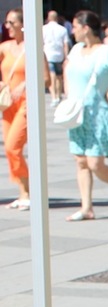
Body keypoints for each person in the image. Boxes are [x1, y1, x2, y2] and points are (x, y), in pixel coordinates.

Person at [63, 11, 108, 222]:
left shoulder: (107, 52)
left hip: (98, 114)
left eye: (76, 26)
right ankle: (86, 207)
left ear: (86, 28)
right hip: (77, 114)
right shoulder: (76, 50)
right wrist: (68, 94)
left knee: (96, 163)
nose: (73, 30)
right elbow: (67, 69)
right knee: (81, 161)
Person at [0, 8, 28, 210]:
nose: (7, 26)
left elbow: (44, 77)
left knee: (12, 146)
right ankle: (23, 192)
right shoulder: (5, 47)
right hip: (8, 104)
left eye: (12, 23)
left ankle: (28, 191)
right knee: (10, 151)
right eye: (6, 23)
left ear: (23, 24)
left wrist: (24, 85)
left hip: (26, 104)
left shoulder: (33, 48)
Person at [42, 10, 69, 106]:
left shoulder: (43, 28)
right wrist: (66, 57)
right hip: (59, 55)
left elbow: (41, 42)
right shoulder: (63, 29)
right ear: (57, 18)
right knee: (59, 76)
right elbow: (65, 44)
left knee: (51, 75)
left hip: (48, 54)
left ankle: (54, 96)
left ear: (48, 18)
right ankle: (58, 95)